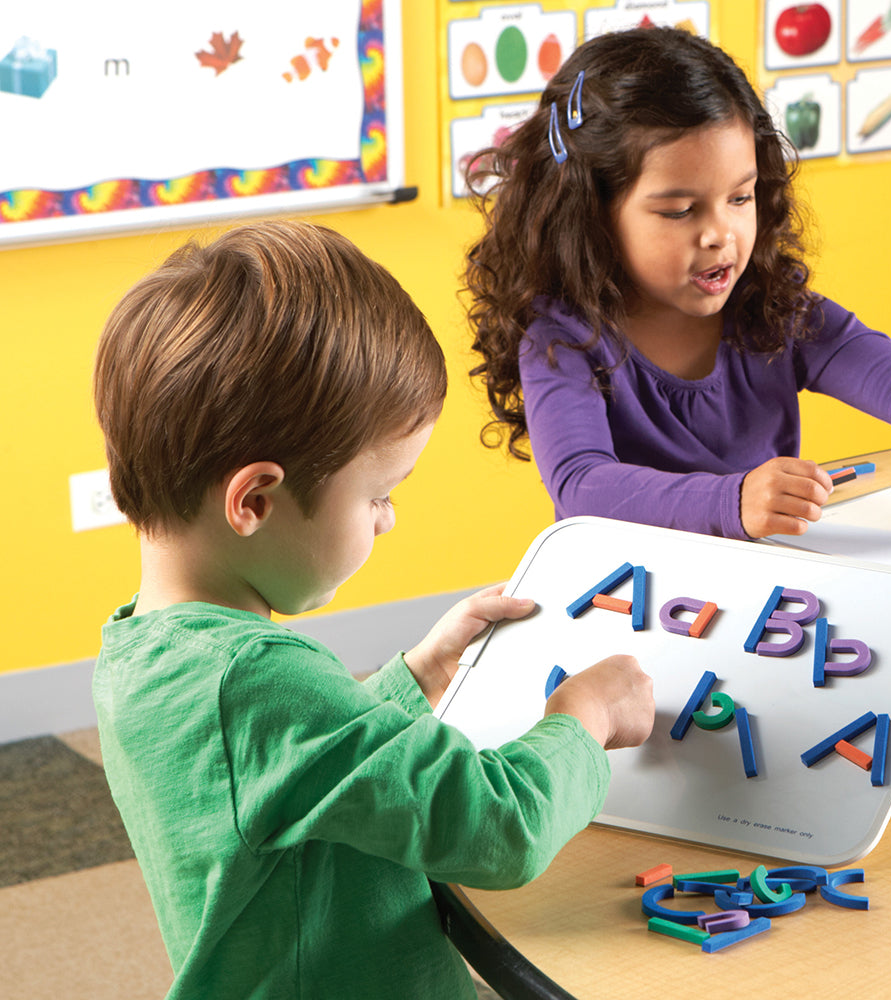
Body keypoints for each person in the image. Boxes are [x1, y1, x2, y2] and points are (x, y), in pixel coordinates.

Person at [91, 220, 655, 999]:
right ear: (255, 499)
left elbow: (293, 774)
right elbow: (497, 829)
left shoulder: (140, 648)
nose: (389, 520)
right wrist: (582, 720)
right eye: (378, 494)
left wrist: (416, 675)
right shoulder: (259, 679)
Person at [464, 27, 891, 540]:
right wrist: (732, 500)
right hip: (623, 600)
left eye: (740, 198)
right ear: (591, 214)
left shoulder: (771, 309)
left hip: (759, 592)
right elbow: (582, 485)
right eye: (679, 210)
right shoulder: (561, 338)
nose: (721, 234)